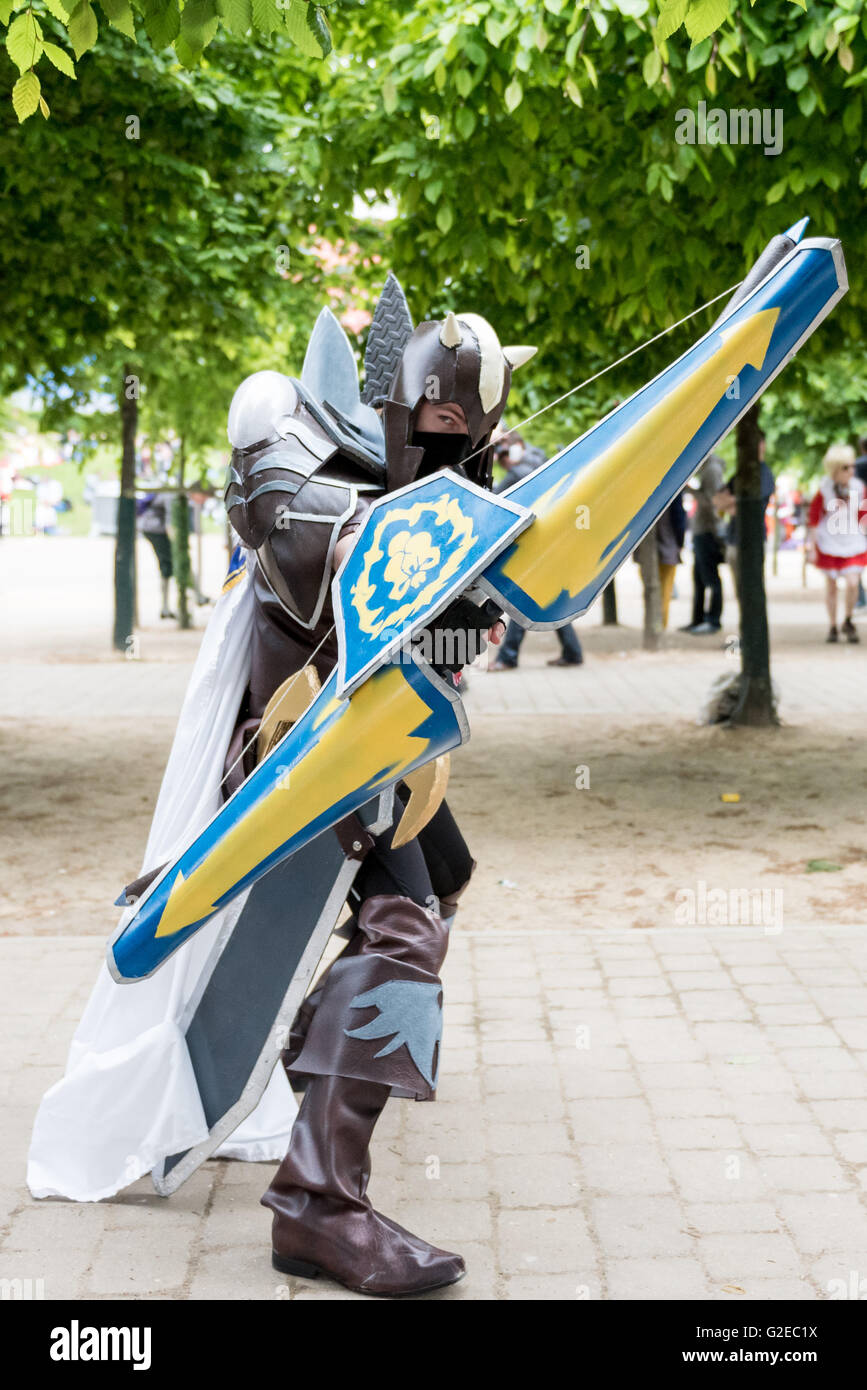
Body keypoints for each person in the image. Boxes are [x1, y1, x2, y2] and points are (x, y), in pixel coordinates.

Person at [223, 299, 532, 1294]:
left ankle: (320, 1054)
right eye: (443, 434)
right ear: (401, 413)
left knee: (444, 878)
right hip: (301, 745)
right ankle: (317, 1205)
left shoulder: (446, 486)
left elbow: (442, 635)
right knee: (406, 931)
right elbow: (311, 608)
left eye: (474, 443)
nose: (459, 460)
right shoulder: (319, 496)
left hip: (386, 745)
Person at [490, 432, 584, 669]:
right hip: (555, 542)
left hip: (539, 546)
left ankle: (508, 657)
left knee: (527, 598)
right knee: (549, 598)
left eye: (503, 456)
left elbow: (494, 502)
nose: (503, 462)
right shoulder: (541, 460)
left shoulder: (518, 472)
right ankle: (573, 652)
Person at [806, 442, 867, 643]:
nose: (852, 470)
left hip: (853, 541)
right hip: (829, 542)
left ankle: (847, 619)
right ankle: (832, 625)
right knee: (831, 586)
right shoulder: (824, 489)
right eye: (846, 467)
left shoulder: (858, 487)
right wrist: (811, 547)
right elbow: (814, 517)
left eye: (852, 466)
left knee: (852, 583)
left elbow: (863, 514)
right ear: (835, 469)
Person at [713, 430, 776, 598]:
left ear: (762, 445)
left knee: (751, 590)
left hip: (752, 538)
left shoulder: (764, 474)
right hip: (734, 537)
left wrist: (734, 503)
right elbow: (718, 499)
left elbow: (748, 504)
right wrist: (734, 503)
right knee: (740, 591)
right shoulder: (741, 473)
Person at [681, 452, 725, 634]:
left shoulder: (712, 470)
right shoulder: (707, 469)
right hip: (702, 531)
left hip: (707, 531)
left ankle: (712, 621)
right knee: (699, 579)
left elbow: (713, 503)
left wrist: (690, 490)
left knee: (710, 579)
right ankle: (698, 619)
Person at [136, 490, 176, 619]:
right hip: (157, 530)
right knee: (168, 565)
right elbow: (170, 516)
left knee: (167, 564)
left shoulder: (162, 492)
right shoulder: (170, 494)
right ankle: (165, 607)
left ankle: (165, 607)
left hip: (150, 528)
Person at [655, 494, 687, 629]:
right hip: (668, 546)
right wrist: (680, 542)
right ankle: (660, 625)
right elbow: (679, 517)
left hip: (649, 549)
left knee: (653, 590)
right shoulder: (674, 490)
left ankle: (657, 625)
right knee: (664, 591)